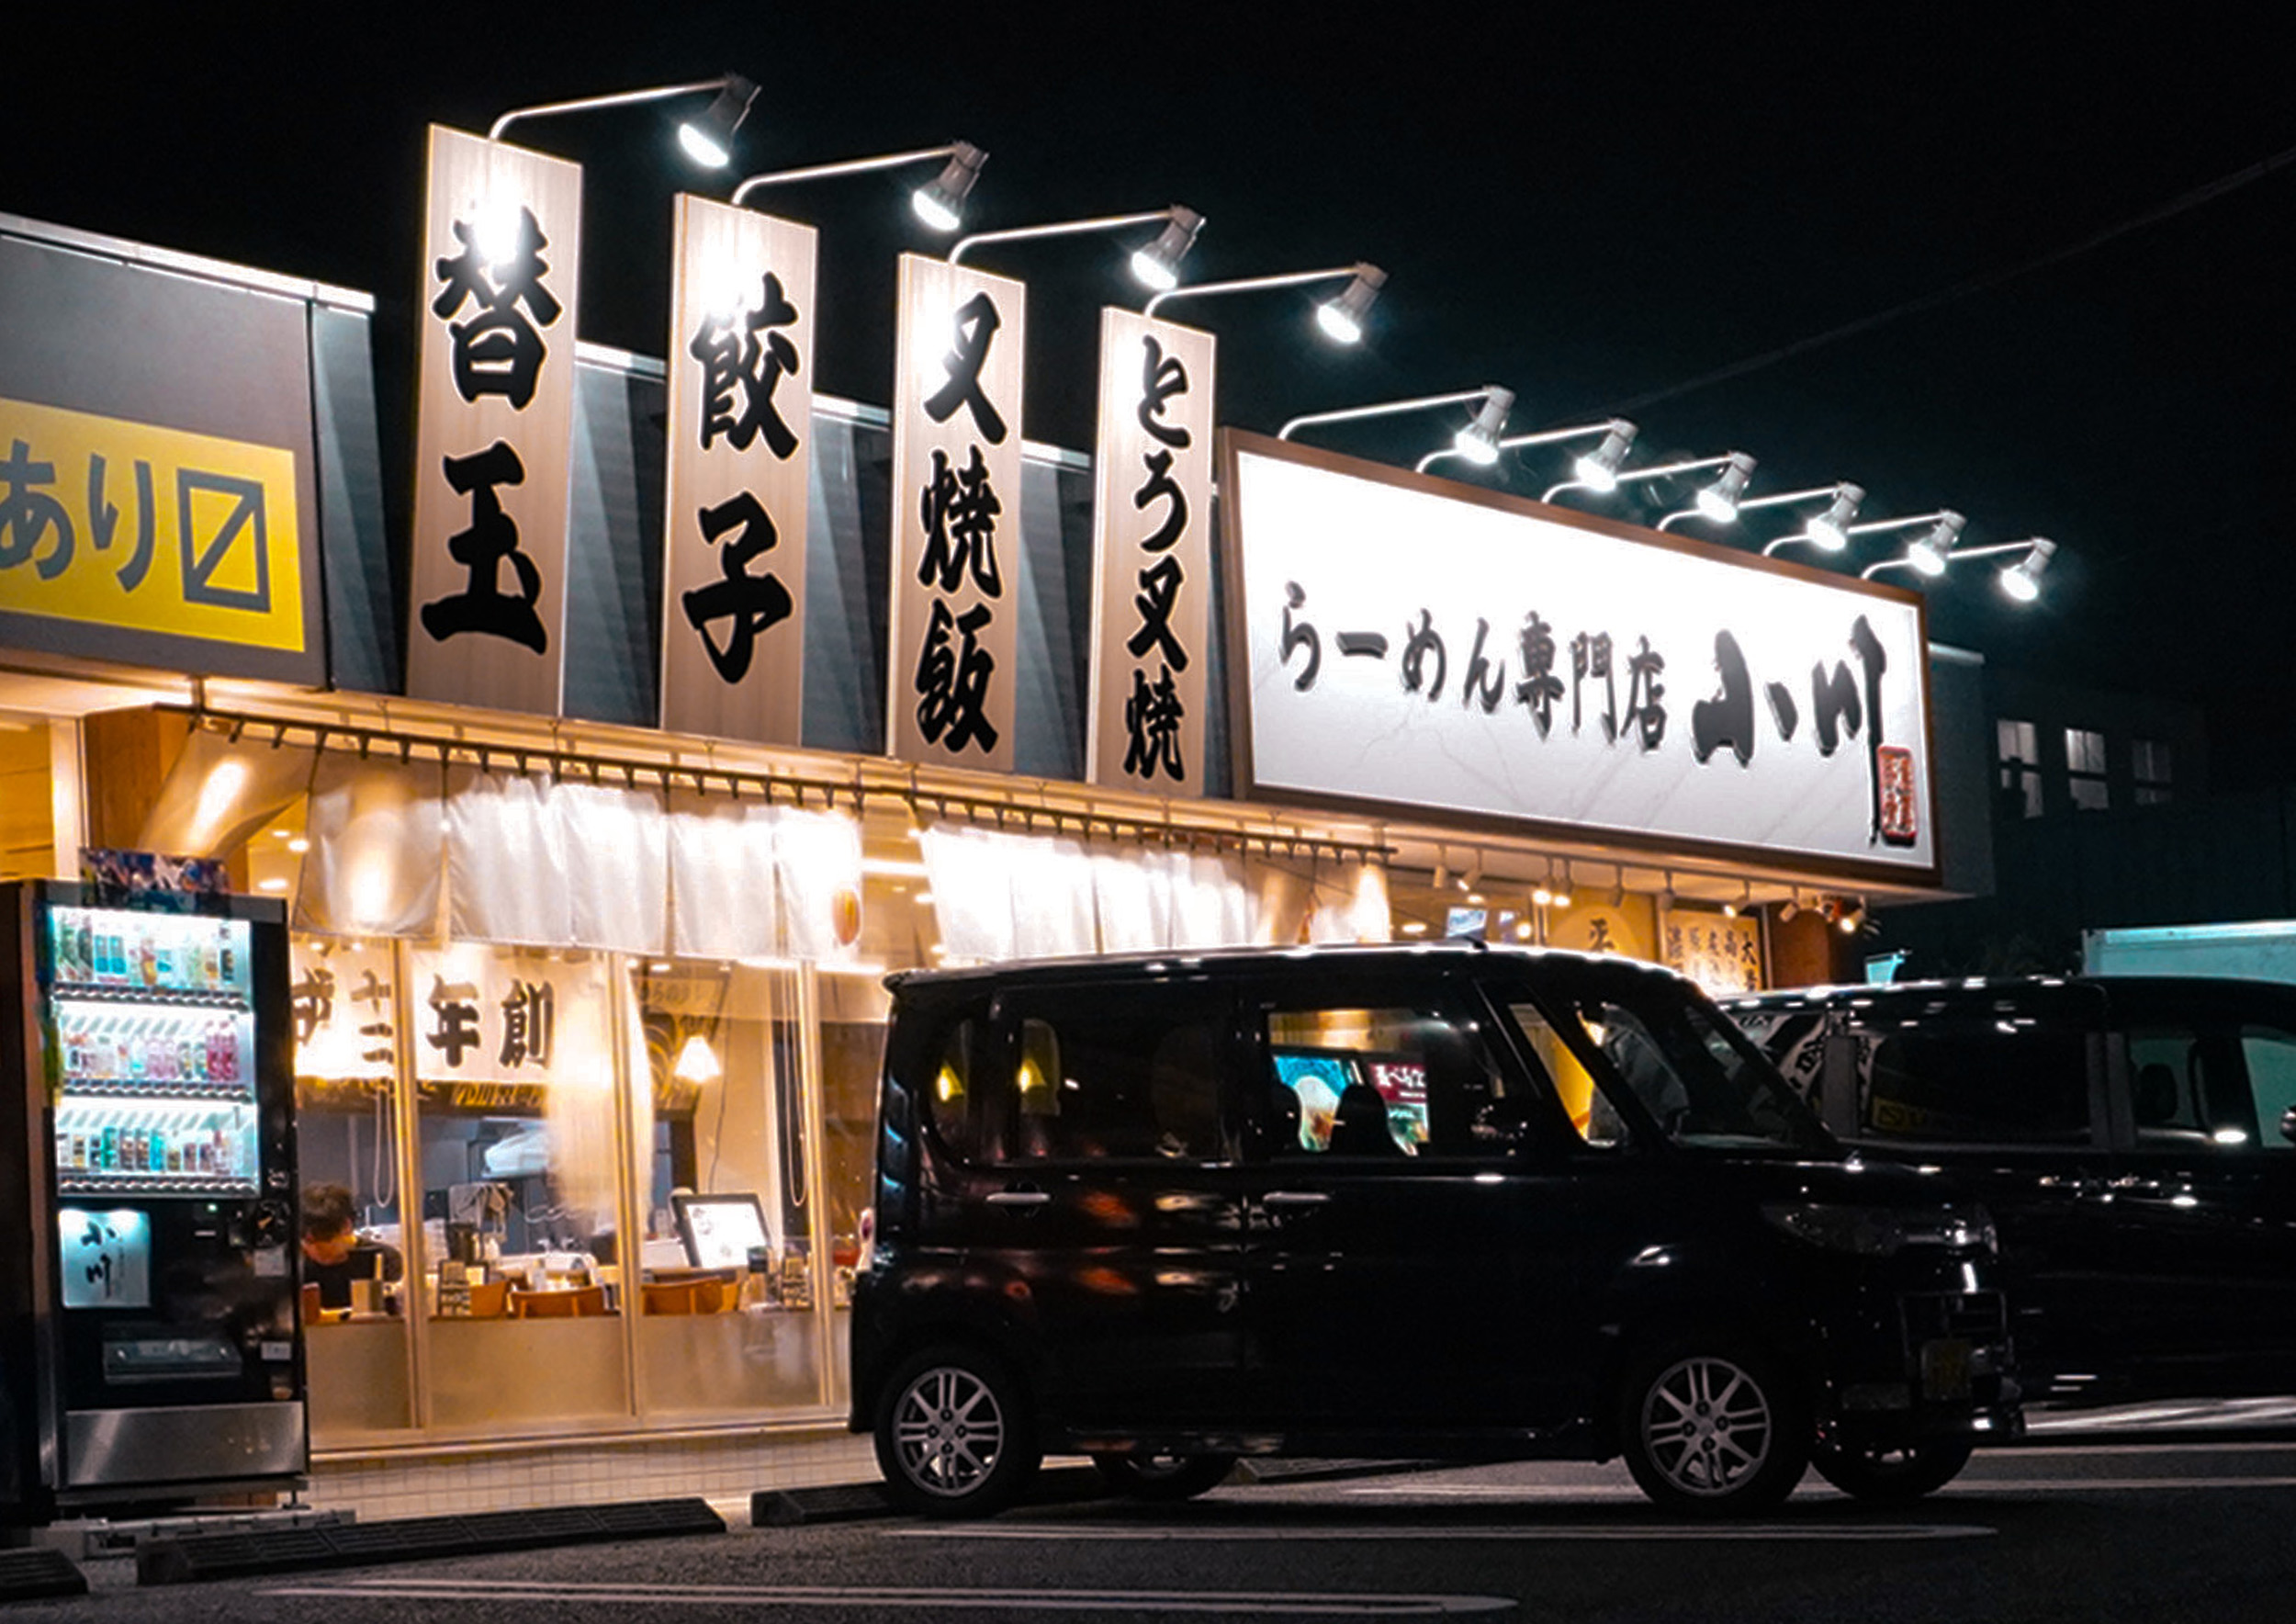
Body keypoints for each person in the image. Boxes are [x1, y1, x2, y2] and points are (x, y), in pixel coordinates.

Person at [301, 1182, 403, 1311]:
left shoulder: (384, 1259)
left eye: (324, 1239)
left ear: (346, 1226)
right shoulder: (293, 1265)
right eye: (307, 1242)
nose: (314, 1249)